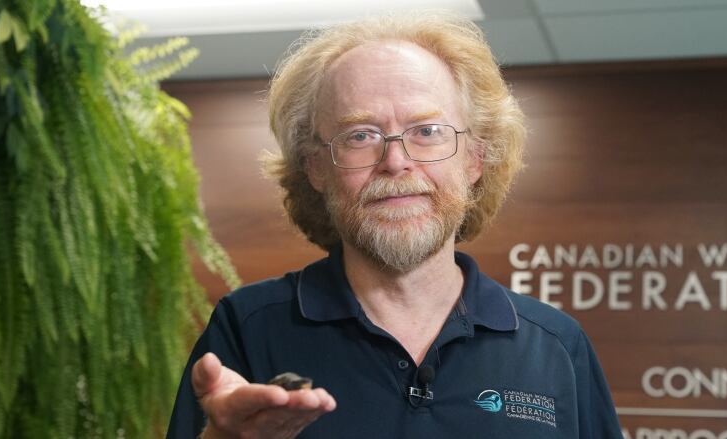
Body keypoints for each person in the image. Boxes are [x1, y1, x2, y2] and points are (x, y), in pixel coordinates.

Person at [167, 12, 624, 439]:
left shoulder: (557, 347)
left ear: (475, 159)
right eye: (360, 135)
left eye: (427, 131)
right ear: (316, 168)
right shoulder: (247, 327)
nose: (396, 162)